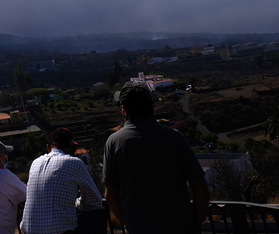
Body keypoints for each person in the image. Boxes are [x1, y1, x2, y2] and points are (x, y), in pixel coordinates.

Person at [103, 82, 210, 234]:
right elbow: (200, 188)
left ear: (124, 110)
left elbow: (110, 194)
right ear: (151, 107)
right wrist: (196, 225)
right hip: (179, 228)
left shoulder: (113, 142)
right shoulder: (175, 138)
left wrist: (126, 224)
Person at [20, 127, 104, 234]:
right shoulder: (74, 162)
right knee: (99, 213)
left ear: (48, 147)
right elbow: (95, 201)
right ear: (73, 148)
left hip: (29, 231)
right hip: (59, 231)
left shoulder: (35, 162)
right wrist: (76, 202)